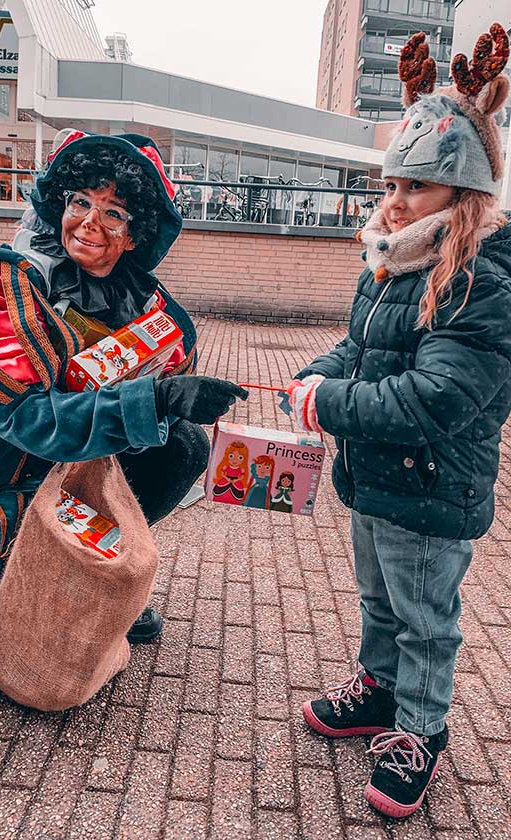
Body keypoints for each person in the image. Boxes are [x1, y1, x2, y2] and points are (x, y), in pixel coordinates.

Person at [0, 129, 247, 729]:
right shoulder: (3, 284)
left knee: (183, 446)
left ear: (136, 233)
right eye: (80, 202)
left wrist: (177, 400)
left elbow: (152, 385)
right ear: (58, 203)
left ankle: (77, 581)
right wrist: (154, 397)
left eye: (113, 212)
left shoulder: (141, 303)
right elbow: (26, 421)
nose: (90, 223)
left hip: (62, 478)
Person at [285, 26, 511, 819]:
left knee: (425, 622)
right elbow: (362, 344)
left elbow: (433, 399)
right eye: (395, 180)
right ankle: (378, 692)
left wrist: (330, 406)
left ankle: (419, 730)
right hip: (378, 479)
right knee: (380, 605)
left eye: (418, 185)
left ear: (463, 192)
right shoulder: (395, 257)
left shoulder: (480, 281)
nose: (397, 198)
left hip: (432, 487)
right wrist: (320, 374)